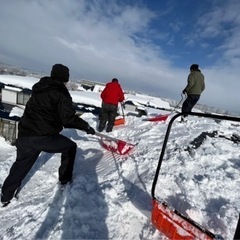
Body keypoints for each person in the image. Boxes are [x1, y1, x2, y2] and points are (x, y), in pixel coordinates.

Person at [1, 64, 95, 206]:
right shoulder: (61, 93)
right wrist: (86, 126)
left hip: (25, 133)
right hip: (43, 136)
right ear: (65, 78)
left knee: (21, 164)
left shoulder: (39, 87)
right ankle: (64, 181)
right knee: (70, 147)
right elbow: (68, 119)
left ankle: (5, 196)